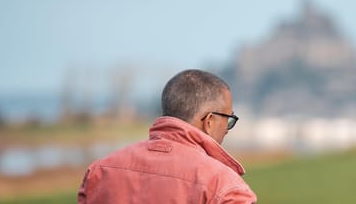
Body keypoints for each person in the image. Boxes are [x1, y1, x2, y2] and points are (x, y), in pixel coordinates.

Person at [78, 69, 257, 204]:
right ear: (209, 121)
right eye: (229, 119)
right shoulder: (224, 186)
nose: (227, 129)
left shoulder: (100, 172)